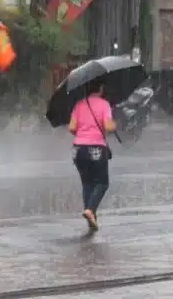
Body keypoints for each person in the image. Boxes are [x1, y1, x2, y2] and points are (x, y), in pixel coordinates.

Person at [67, 79, 116, 231]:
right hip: (96, 148)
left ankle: (91, 217)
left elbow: (72, 127)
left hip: (78, 150)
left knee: (87, 183)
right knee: (102, 183)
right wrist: (113, 125)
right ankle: (90, 210)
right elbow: (108, 126)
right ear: (101, 88)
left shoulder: (79, 104)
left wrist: (83, 133)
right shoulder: (104, 104)